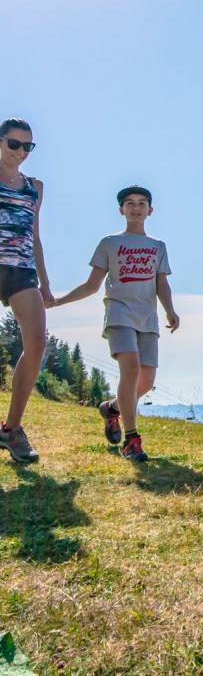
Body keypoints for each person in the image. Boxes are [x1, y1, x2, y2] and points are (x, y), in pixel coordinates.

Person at [53, 186, 179, 462]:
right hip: (119, 314)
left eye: (142, 203)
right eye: (130, 203)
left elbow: (161, 283)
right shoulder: (109, 243)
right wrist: (59, 301)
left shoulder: (158, 247)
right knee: (131, 370)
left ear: (150, 210)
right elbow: (91, 285)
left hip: (147, 318)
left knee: (146, 381)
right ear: (121, 210)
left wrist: (170, 310)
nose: (136, 208)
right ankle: (131, 440)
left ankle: (111, 409)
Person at [0, 118, 54, 463]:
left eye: (27, 146)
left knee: (37, 340)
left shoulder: (35, 186)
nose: (21, 152)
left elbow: (34, 236)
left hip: (21, 269)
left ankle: (11, 429)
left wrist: (46, 283)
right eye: (14, 144)